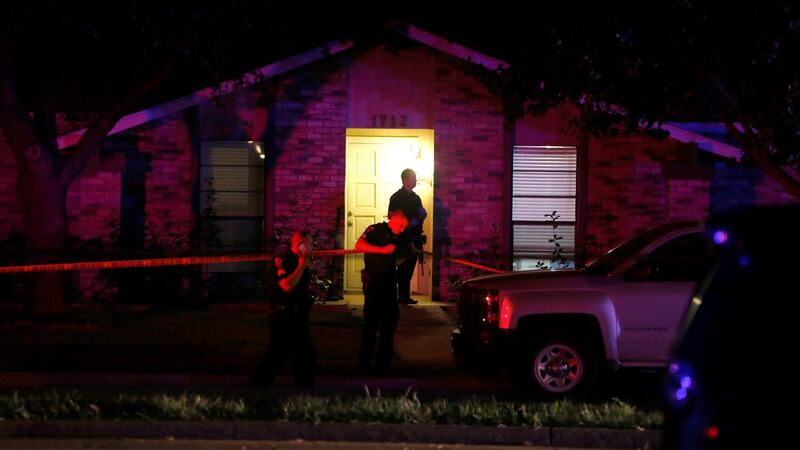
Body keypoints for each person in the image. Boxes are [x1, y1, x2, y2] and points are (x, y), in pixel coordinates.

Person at [251, 231, 316, 388]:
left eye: (311, 244)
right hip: (284, 316)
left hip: (297, 315)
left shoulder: (302, 261)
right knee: (278, 354)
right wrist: (301, 266)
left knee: (303, 354)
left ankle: (304, 386)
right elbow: (286, 286)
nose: (311, 247)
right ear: (298, 245)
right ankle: (259, 384)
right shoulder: (285, 261)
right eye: (307, 244)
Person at [355, 211, 410, 374]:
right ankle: (364, 364)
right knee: (371, 324)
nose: (402, 230)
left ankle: (383, 364)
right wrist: (382, 250)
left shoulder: (399, 238)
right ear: (393, 220)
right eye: (401, 226)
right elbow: (359, 245)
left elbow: (401, 257)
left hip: (390, 284)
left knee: (389, 324)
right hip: (374, 283)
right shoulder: (375, 230)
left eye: (404, 228)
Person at [388, 168, 427, 305]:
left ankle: (403, 296)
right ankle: (397, 296)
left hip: (415, 238)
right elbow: (391, 216)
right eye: (413, 178)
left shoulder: (416, 198)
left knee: (409, 268)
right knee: (402, 269)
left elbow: (422, 213)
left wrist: (421, 215)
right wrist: (406, 220)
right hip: (402, 239)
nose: (415, 180)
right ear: (406, 179)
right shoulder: (396, 197)